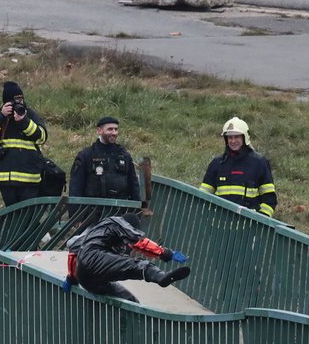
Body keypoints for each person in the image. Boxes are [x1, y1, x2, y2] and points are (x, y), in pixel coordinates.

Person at [63, 213, 191, 303]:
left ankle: (135, 317)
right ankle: (160, 276)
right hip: (96, 257)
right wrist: (166, 253)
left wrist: (71, 278)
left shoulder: (94, 232)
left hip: (86, 278)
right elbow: (139, 242)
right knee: (137, 265)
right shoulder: (119, 223)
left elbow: (73, 252)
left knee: (127, 299)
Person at [0, 81, 50, 207]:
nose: (19, 105)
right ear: (6, 103)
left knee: (28, 215)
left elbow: (41, 137)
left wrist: (24, 122)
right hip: (4, 178)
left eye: (21, 101)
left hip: (28, 178)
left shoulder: (30, 114)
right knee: (13, 215)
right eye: (14, 102)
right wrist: (1, 116)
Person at [199, 117, 277, 218]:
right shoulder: (217, 163)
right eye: (230, 137)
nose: (233, 141)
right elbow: (203, 195)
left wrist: (260, 220)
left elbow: (269, 199)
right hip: (220, 224)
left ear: (245, 138)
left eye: (237, 137)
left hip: (248, 226)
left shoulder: (259, 163)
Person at [69, 116, 141, 203]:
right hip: (93, 211)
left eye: (116, 129)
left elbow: (134, 186)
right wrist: (75, 214)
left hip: (120, 211)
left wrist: (137, 209)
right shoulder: (86, 155)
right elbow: (75, 188)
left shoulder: (125, 156)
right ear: (99, 131)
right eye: (110, 129)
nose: (114, 133)